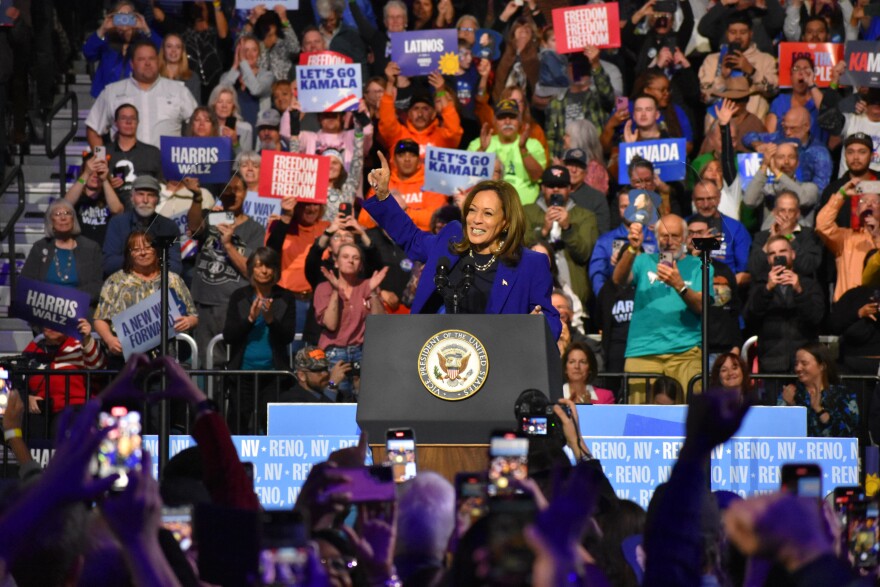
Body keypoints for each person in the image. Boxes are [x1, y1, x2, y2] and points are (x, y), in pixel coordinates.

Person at [364, 154, 562, 339]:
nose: (476, 220)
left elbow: (551, 321)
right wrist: (383, 196)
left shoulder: (530, 264)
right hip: (440, 357)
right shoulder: (451, 240)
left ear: (506, 222)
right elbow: (412, 238)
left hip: (498, 361)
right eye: (472, 210)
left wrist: (537, 325)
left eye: (487, 213)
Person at [613, 214, 707, 400]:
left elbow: (702, 306)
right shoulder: (643, 261)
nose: (669, 241)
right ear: (656, 238)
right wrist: (632, 248)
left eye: (675, 236)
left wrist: (679, 285)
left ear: (686, 238)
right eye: (664, 236)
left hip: (685, 352)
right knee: (639, 422)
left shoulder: (700, 266)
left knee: (688, 418)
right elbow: (618, 279)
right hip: (643, 352)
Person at [188, 172, 266, 368]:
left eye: (237, 190)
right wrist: (197, 197)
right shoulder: (211, 217)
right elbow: (194, 228)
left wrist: (229, 244)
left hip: (233, 306)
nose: (232, 194)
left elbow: (251, 271)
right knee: (205, 364)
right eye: (227, 190)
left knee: (232, 364)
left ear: (246, 193)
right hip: (203, 304)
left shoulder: (255, 229)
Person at [222, 247, 297, 433]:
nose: (264, 271)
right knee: (238, 423)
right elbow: (229, 336)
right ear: (251, 270)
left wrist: (271, 321)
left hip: (274, 374)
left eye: (269, 266)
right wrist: (250, 319)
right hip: (242, 373)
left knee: (271, 424)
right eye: (258, 266)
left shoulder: (285, 297)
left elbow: (287, 336)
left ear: (275, 270)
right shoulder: (239, 297)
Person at [93, 231, 198, 358]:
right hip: (127, 358)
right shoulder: (115, 281)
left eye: (148, 248)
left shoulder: (172, 279)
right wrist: (110, 339)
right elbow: (100, 319)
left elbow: (193, 316)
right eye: (136, 249)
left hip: (166, 354)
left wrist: (189, 321)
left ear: (156, 251)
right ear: (129, 254)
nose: (143, 253)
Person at [86, 39, 198, 149]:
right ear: (132, 64)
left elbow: (199, 125)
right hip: (126, 164)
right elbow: (93, 129)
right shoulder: (112, 92)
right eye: (141, 59)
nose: (148, 63)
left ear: (158, 61)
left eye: (152, 58)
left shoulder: (179, 90)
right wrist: (101, 161)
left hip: (167, 165)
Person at [314, 243, 388, 396]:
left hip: (362, 352)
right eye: (345, 257)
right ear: (336, 261)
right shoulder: (324, 288)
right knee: (335, 399)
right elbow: (331, 324)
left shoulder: (368, 285)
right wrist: (336, 290)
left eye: (356, 258)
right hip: (334, 353)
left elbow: (380, 323)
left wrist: (373, 292)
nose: (351, 261)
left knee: (364, 402)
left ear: (360, 265)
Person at [744, 235, 824, 374]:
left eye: (782, 251)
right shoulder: (760, 285)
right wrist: (767, 289)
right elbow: (750, 317)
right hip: (772, 363)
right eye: (772, 253)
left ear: (792, 254)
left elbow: (816, 318)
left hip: (805, 364)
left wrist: (799, 290)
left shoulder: (809, 284)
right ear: (768, 259)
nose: (777, 256)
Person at [523, 165, 599, 309]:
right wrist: (543, 231)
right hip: (533, 293)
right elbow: (520, 249)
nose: (556, 190)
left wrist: (568, 228)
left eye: (561, 185)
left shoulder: (585, 216)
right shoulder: (527, 212)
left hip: (574, 298)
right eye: (551, 185)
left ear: (569, 188)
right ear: (542, 188)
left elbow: (584, 254)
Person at [22, 320, 106, 430]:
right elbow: (20, 381)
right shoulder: (33, 348)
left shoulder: (80, 344)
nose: (51, 325)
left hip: (75, 411)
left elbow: (98, 368)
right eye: (47, 320)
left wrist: (86, 339)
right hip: (40, 413)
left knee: (63, 423)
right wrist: (27, 398)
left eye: (56, 320)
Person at [21, 200, 104, 309]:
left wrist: (69, 300)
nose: (63, 218)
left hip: (80, 310)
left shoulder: (91, 248)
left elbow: (97, 285)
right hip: (46, 311)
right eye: (58, 214)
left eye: (67, 213)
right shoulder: (40, 247)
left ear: (73, 219)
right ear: (51, 221)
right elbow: (26, 283)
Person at [379, 62, 463, 164]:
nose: (420, 113)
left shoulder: (442, 137)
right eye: (416, 108)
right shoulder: (398, 135)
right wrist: (390, 83)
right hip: (401, 180)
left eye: (425, 109)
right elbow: (386, 120)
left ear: (433, 114)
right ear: (408, 114)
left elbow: (454, 130)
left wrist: (441, 91)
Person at [698, 15, 779, 121]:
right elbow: (705, 98)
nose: (738, 37)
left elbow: (773, 91)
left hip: (752, 126)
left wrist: (752, 71)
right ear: (727, 34)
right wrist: (722, 77)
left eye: (743, 32)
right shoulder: (712, 60)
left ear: (751, 33)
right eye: (733, 32)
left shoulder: (765, 60)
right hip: (718, 125)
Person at [468, 99, 547, 205]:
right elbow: (467, 177)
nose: (507, 122)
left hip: (524, 208)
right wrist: (482, 150)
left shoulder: (532, 144)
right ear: (494, 121)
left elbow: (537, 176)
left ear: (520, 121)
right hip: (487, 206)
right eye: (502, 117)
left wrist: (523, 149)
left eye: (512, 117)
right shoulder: (479, 143)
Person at [358, 138, 448, 232]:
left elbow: (436, 219)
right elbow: (363, 219)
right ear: (394, 159)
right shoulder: (382, 183)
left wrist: (398, 213)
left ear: (419, 160)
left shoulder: (432, 183)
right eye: (401, 155)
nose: (407, 159)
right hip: (386, 241)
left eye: (412, 155)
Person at [103, 174, 182, 276]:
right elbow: (109, 265)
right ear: (132, 198)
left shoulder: (169, 227)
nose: (145, 200)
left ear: (157, 200)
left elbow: (176, 267)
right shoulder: (117, 223)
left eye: (150, 195)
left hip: (158, 284)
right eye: (140, 194)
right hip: (124, 283)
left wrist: (146, 261)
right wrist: (143, 259)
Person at [743, 105, 832, 195]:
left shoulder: (819, 153)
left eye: (793, 128)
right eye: (785, 127)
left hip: (801, 199)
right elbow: (748, 137)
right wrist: (758, 144)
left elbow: (820, 190)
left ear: (806, 126)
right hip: (773, 195)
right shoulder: (779, 137)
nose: (787, 132)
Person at [545, 48, 615, 160]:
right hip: (566, 162)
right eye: (573, 67)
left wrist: (595, 64)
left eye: (582, 66)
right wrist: (554, 162)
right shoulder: (555, 103)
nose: (578, 71)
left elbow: (607, 93)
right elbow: (551, 138)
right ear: (568, 69)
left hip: (593, 160)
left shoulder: (597, 98)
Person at [816, 179, 880, 300]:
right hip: (846, 308)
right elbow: (822, 226)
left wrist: (877, 236)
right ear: (856, 211)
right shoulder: (846, 238)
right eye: (864, 201)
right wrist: (841, 195)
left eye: (875, 202)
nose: (869, 204)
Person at [82, 1, 162, 98]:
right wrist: (102, 29)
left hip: (136, 97)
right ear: (113, 17)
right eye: (120, 16)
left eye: (128, 16)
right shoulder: (106, 39)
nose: (124, 19)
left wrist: (145, 29)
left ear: (135, 17)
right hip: (106, 96)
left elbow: (162, 52)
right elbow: (88, 53)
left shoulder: (143, 40)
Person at [778, 343, 859, 438]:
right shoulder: (790, 393)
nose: (798, 368)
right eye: (796, 364)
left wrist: (819, 410)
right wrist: (792, 407)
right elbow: (779, 430)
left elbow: (847, 433)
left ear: (822, 366)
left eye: (804, 363)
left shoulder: (842, 395)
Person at [590, 189, 659, 297]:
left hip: (649, 301)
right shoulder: (605, 241)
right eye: (624, 206)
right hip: (617, 304)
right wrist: (605, 300)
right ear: (618, 209)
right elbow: (598, 276)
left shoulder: (657, 240)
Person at [742, 142, 820, 228]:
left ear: (797, 163)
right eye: (781, 157)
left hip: (800, 239)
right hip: (770, 238)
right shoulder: (768, 189)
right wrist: (764, 165)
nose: (786, 162)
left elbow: (803, 199)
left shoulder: (810, 188)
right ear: (773, 161)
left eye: (791, 157)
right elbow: (749, 201)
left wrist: (777, 172)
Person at [747, 191, 823, 278]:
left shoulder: (809, 234)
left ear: (797, 214)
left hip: (800, 287)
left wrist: (788, 235)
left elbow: (808, 266)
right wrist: (770, 240)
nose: (786, 215)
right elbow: (754, 269)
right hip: (768, 287)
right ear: (775, 212)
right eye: (782, 210)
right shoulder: (761, 237)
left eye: (791, 211)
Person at [688, 181, 752, 285]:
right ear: (693, 199)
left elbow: (744, 270)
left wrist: (728, 282)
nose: (706, 204)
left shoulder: (735, 228)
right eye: (700, 199)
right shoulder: (684, 225)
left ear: (719, 197)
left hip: (726, 286)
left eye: (710, 198)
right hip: (691, 281)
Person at [104, 103, 163, 208]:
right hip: (112, 211)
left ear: (138, 122)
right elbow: (84, 181)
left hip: (146, 210)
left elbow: (162, 185)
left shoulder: (152, 153)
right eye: (123, 118)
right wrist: (107, 183)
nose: (128, 122)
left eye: (133, 118)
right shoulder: (104, 152)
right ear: (115, 123)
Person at [63, 151, 124, 247]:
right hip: (80, 250)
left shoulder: (111, 196)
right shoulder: (76, 195)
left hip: (105, 250)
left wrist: (104, 179)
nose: (95, 175)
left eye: (98, 171)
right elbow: (65, 205)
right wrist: (86, 173)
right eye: (92, 171)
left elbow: (117, 210)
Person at [819, 132, 879, 229]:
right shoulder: (833, 190)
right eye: (850, 152)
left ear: (872, 155)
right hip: (845, 242)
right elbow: (822, 228)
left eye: (862, 152)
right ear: (845, 156)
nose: (855, 157)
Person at [218, 35, 274, 129]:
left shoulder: (267, 76)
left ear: (259, 53)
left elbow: (256, 90)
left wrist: (243, 62)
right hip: (234, 128)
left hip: (258, 128)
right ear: (238, 52)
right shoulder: (228, 76)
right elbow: (220, 93)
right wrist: (235, 65)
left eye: (254, 50)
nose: (249, 54)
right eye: (245, 50)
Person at [280, 345, 353, 403]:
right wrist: (332, 386)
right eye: (318, 370)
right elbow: (321, 415)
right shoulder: (291, 400)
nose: (325, 374)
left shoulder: (339, 395)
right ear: (301, 375)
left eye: (325, 369)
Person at [562, 148, 611, 235]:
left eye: (579, 166)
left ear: (586, 171)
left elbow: (603, 233)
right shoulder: (552, 192)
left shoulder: (597, 198)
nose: (574, 170)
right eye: (570, 165)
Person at [253, 6, 299, 82]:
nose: (275, 38)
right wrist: (253, 19)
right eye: (270, 35)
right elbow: (240, 43)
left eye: (275, 33)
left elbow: (295, 48)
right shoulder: (255, 47)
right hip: (261, 90)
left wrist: (284, 20)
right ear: (262, 36)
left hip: (283, 88)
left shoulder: (282, 44)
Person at [209, 84, 254, 153]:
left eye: (229, 102)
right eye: (220, 102)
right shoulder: (207, 128)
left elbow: (245, 161)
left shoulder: (245, 128)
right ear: (213, 105)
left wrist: (235, 143)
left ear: (233, 106)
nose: (224, 106)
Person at [158, 32, 200, 100]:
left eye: (178, 47)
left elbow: (196, 107)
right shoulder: (154, 76)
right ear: (163, 50)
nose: (173, 50)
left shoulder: (192, 78)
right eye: (169, 46)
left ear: (182, 51)